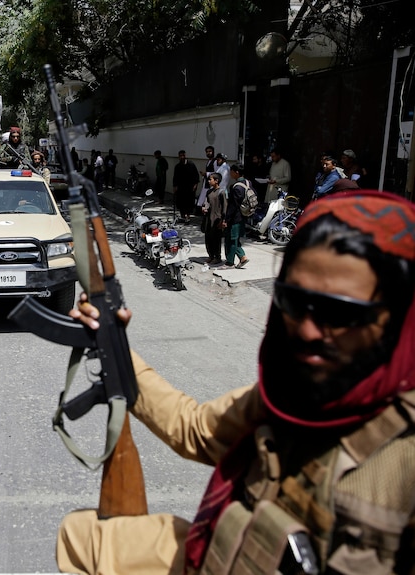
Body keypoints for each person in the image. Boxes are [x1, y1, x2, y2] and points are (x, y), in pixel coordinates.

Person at [59, 190, 415, 574]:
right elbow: (195, 428)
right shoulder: (288, 392)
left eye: (339, 313)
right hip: (219, 558)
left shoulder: (402, 455)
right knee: (80, 535)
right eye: (295, 302)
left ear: (397, 320)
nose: (309, 330)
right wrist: (116, 347)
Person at [222, 162, 249, 269]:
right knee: (235, 239)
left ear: (236, 173)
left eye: (232, 172)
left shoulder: (236, 187)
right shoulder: (247, 183)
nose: (230, 174)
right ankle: (242, 257)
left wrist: (226, 219)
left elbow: (233, 206)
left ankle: (229, 262)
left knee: (231, 239)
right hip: (243, 215)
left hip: (235, 218)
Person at [201, 172, 226, 265]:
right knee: (208, 238)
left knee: (216, 239)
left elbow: (224, 207)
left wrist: (223, 220)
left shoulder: (221, 192)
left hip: (216, 220)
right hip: (208, 218)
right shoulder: (209, 192)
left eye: (210, 179)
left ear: (216, 181)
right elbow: (206, 203)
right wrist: (204, 208)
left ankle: (217, 257)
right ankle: (211, 255)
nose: (209, 181)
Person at [172, 150, 199, 222]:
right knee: (181, 202)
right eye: (180, 156)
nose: (181, 157)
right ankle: (182, 216)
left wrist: (195, 185)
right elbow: (175, 177)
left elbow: (196, 175)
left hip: (190, 187)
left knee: (189, 202)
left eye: (183, 156)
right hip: (181, 188)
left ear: (185, 156)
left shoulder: (191, 164)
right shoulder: (177, 166)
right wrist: (175, 186)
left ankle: (188, 216)